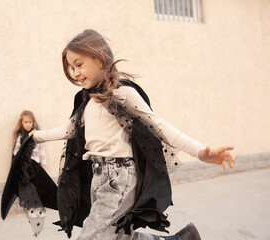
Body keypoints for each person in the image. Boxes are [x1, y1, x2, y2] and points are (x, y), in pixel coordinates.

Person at [27, 29, 234, 240]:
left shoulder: (121, 93)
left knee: (92, 235)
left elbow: (160, 126)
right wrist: (36, 136)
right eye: (71, 67)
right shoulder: (87, 100)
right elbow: (69, 129)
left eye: (79, 65)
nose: (75, 73)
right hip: (98, 176)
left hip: (119, 178)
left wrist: (200, 152)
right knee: (114, 236)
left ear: (101, 59)